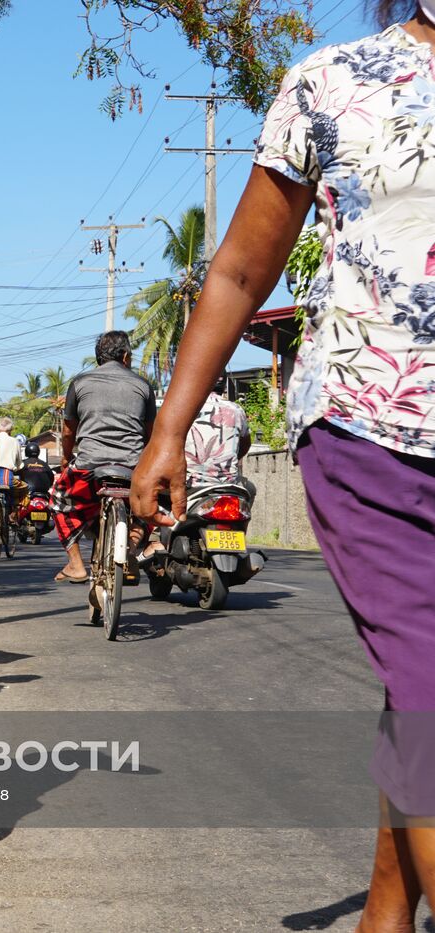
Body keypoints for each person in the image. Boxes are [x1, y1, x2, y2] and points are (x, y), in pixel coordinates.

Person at [131, 4, 435, 923]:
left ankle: (385, 915)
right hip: (367, 431)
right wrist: (171, 427)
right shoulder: (330, 83)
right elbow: (236, 273)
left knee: (421, 693)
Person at [52, 331, 156, 584]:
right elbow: (151, 435)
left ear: (99, 358)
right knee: (150, 504)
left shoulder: (80, 383)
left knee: (58, 498)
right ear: (126, 356)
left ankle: (76, 564)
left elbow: (68, 431)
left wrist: (66, 459)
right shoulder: (143, 385)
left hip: (89, 468)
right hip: (133, 468)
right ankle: (131, 547)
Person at [0, 417, 22, 489]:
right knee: (6, 497)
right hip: (5, 474)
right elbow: (19, 462)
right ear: (11, 429)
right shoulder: (14, 441)